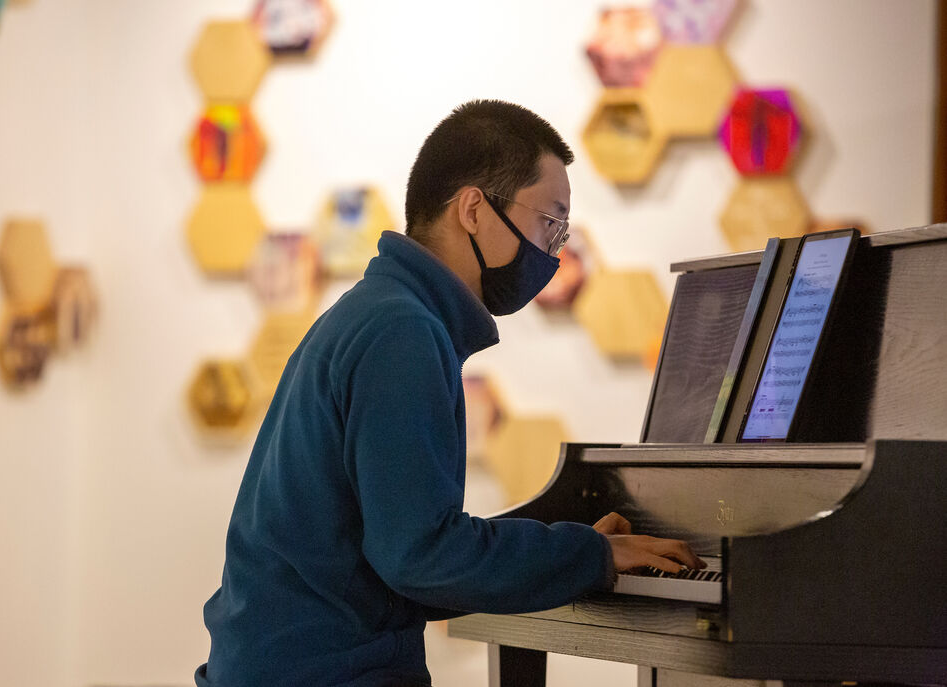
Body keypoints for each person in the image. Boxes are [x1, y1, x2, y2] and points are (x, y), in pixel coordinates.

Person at [195, 100, 704, 687]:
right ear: (472, 209)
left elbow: (402, 553)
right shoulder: (403, 332)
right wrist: (590, 556)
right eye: (551, 222)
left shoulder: (382, 313)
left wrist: (573, 554)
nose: (554, 251)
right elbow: (423, 558)